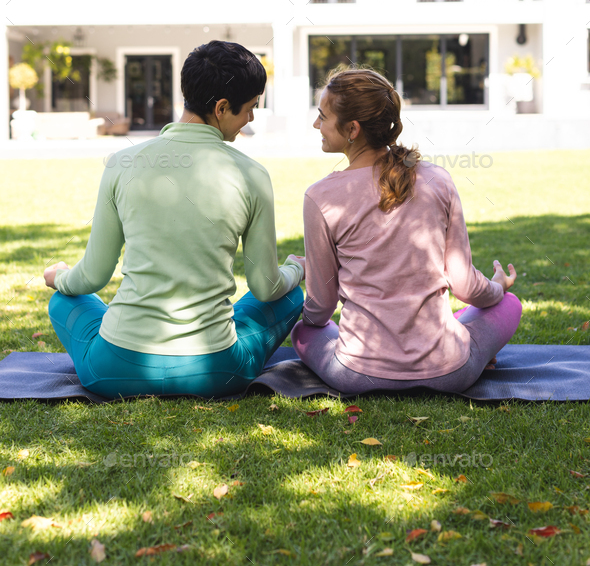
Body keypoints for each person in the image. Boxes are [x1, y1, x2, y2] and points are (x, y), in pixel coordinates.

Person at [43, 41, 304, 399]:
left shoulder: (122, 163)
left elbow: (92, 276)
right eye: (250, 108)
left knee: (63, 298)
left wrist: (57, 276)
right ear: (222, 108)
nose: (251, 119)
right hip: (217, 372)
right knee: (291, 297)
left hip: (112, 370)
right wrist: (296, 270)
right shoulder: (253, 175)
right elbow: (266, 289)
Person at [291, 67, 521, 394]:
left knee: (303, 331)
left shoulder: (320, 197)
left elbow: (320, 309)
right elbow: (466, 286)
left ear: (352, 129)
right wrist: (497, 287)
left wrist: (302, 292)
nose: (317, 124)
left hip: (356, 375)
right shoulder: (438, 179)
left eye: (322, 116)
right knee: (509, 305)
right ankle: (463, 344)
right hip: (450, 372)